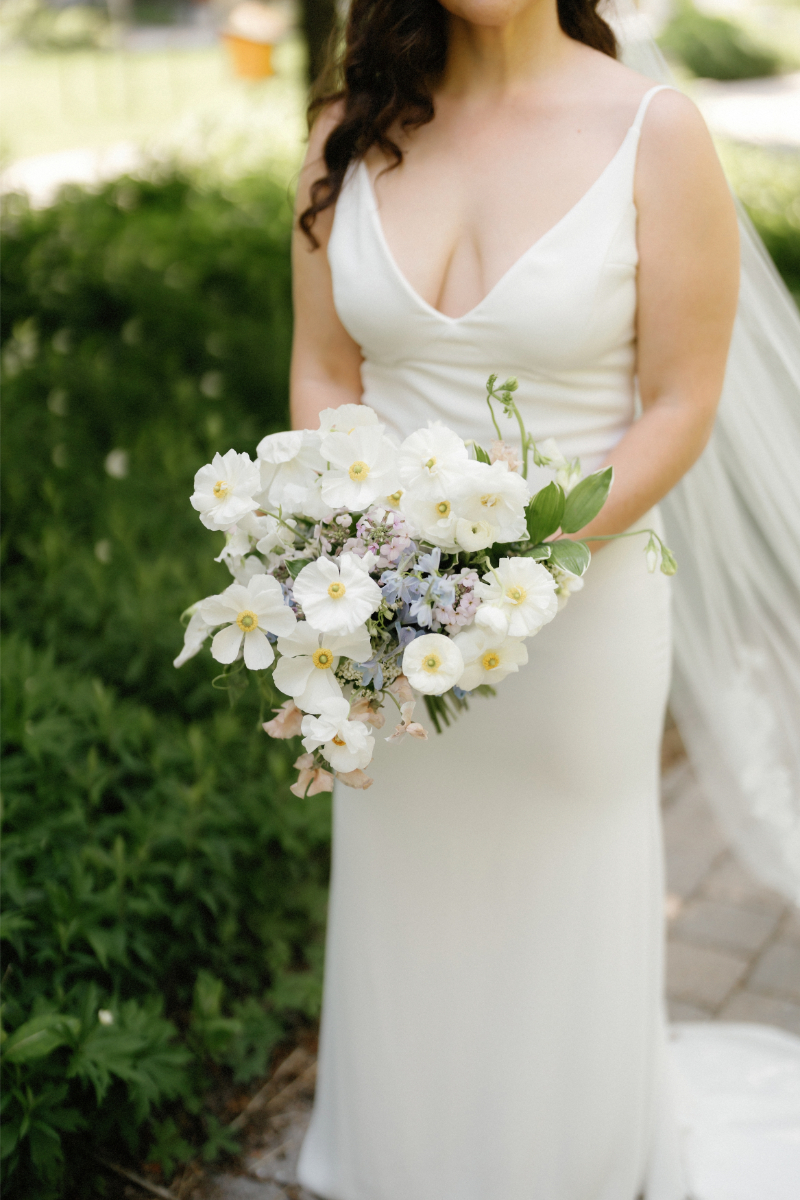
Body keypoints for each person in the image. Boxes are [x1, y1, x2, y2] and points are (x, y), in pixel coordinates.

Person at [288, 1, 740, 1196]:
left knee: (563, 915)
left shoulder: (653, 131)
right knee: (405, 904)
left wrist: (520, 558)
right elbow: (326, 367)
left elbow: (679, 404)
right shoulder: (348, 130)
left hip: (577, 618)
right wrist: (353, 567)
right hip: (387, 614)